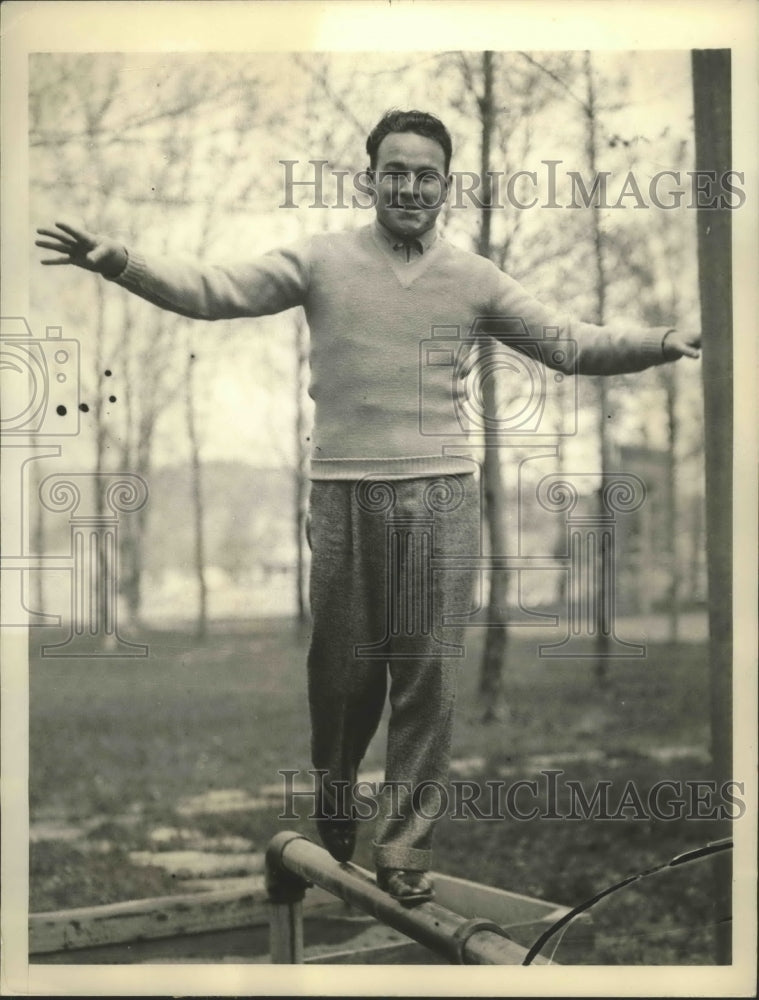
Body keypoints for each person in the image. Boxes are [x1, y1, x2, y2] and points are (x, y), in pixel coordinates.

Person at [36, 109, 700, 906]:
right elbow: (218, 291)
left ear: (444, 185)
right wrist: (124, 264)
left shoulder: (474, 278)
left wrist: (662, 340)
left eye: (425, 173)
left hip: (439, 495)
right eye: (396, 170)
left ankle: (405, 848)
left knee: (427, 680)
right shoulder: (320, 260)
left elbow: (569, 342)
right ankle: (334, 789)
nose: (410, 185)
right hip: (343, 492)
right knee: (343, 674)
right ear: (371, 178)